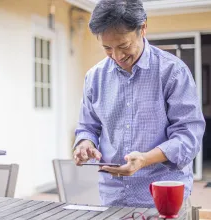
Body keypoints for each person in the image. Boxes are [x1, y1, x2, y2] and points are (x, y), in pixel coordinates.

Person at [73, 0, 205, 214]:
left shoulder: (173, 72)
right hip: (112, 198)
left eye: (123, 46)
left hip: (163, 200)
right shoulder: (94, 77)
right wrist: (85, 143)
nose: (117, 56)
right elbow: (88, 127)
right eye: (107, 48)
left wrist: (144, 159)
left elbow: (189, 138)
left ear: (143, 28)